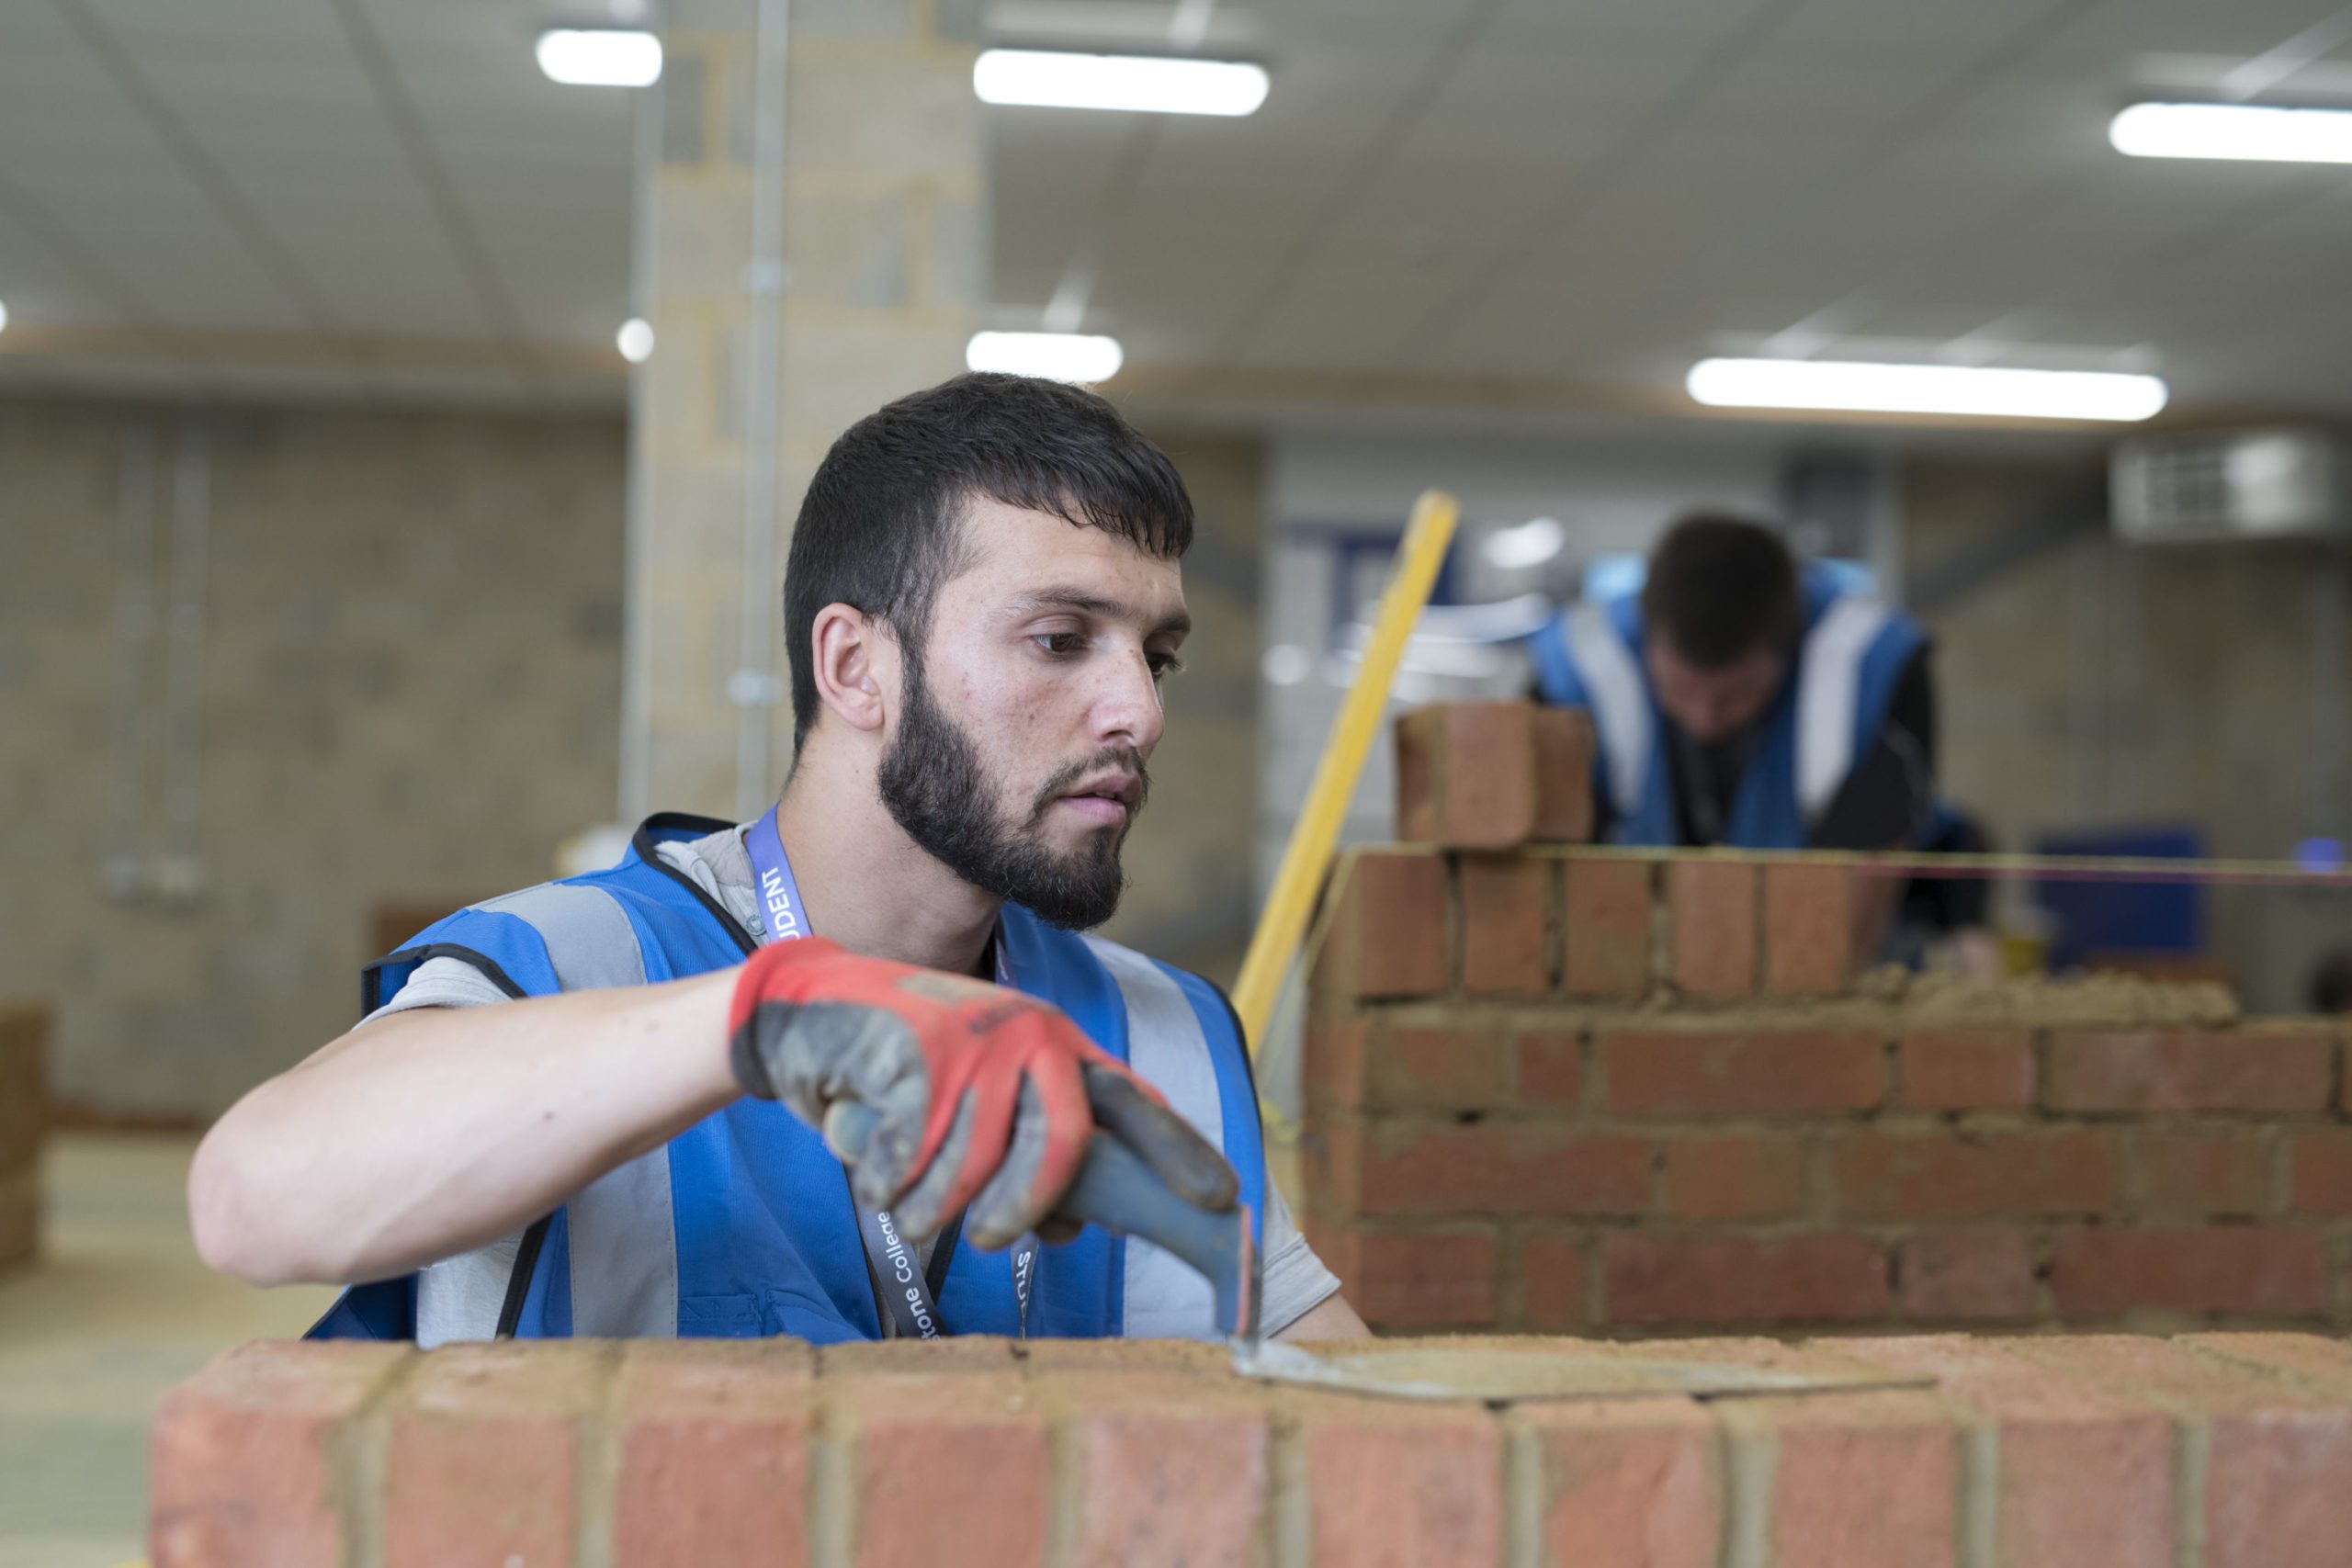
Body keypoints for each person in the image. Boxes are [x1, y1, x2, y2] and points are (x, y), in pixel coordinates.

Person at [189, 373, 1364, 1347]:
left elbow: (1346, 1426)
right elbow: (249, 1204)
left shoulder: (1160, 1031)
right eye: (1059, 640)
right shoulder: (568, 962)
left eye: (1155, 658)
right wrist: (768, 1015)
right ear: (855, 668)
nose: (1136, 715)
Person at [1532, 512, 1935, 853]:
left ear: (1785, 652)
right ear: (1646, 643)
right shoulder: (1573, 673)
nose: (1704, 719)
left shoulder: (1875, 670)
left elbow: (1866, 885)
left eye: (1737, 696)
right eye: (1681, 689)